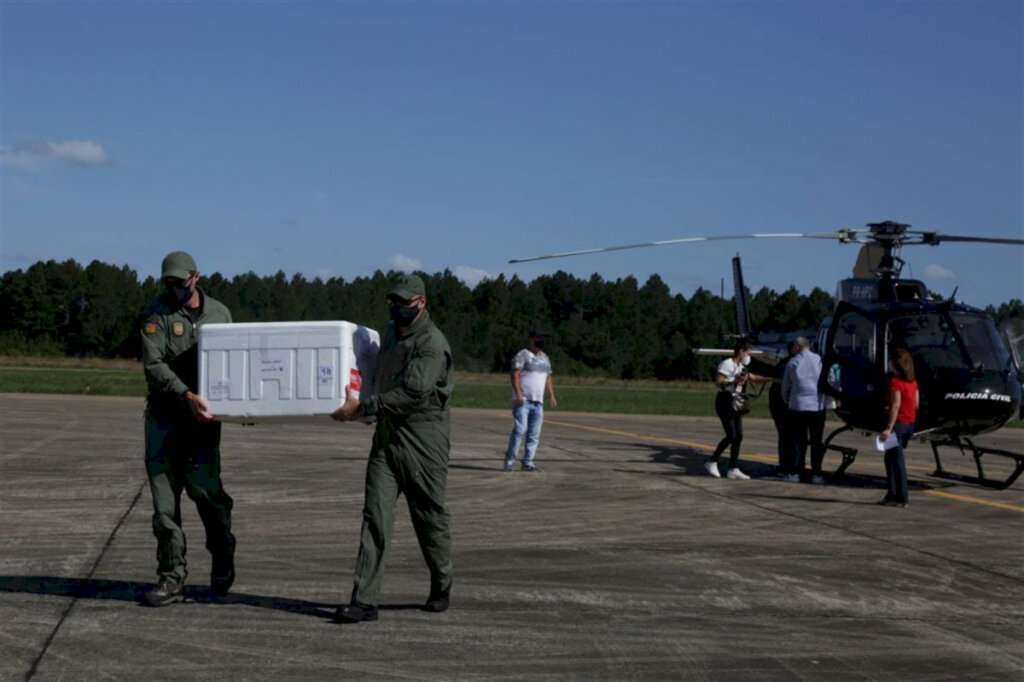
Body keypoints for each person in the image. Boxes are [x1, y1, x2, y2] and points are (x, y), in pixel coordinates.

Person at [331, 274, 455, 623]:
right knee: (375, 518)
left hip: (423, 441)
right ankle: (365, 600)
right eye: (394, 302)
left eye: (405, 303)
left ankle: (442, 580)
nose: (398, 308)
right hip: (386, 439)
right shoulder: (388, 333)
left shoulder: (432, 344)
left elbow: (413, 395)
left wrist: (364, 408)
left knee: (429, 518)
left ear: (421, 303)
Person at [139, 251, 235, 607]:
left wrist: (242, 406)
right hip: (165, 419)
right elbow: (154, 365)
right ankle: (171, 577)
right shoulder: (155, 314)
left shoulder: (220, 314)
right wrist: (185, 394)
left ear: (196, 277)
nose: (174, 288)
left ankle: (223, 549)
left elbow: (232, 364)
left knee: (205, 494)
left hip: (203, 423)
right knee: (165, 506)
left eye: (180, 282)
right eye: (168, 282)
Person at [707, 343, 769, 480]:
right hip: (725, 401)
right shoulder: (727, 364)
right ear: (741, 352)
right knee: (731, 435)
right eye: (748, 353)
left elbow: (754, 378)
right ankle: (712, 460)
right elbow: (719, 382)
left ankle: (733, 468)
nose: (749, 357)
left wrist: (771, 379)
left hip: (736, 402)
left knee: (739, 435)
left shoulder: (741, 367)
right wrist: (735, 380)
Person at [503, 329, 558, 472]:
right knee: (520, 430)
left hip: (538, 402)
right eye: (539, 338)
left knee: (534, 433)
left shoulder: (545, 357)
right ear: (531, 339)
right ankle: (509, 460)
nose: (541, 341)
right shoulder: (522, 355)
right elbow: (515, 375)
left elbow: (548, 377)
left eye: (543, 338)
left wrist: (551, 395)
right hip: (523, 400)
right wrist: (519, 394)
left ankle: (527, 462)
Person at [782, 337, 827, 485]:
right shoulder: (819, 360)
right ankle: (817, 474)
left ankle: (796, 472)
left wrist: (786, 400)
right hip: (817, 405)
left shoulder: (793, 362)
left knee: (798, 441)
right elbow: (829, 378)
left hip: (798, 406)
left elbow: (786, 385)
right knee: (816, 442)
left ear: (797, 346)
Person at [879, 348, 918, 507]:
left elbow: (896, 405)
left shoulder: (896, 382)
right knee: (889, 458)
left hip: (898, 426)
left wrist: (889, 427)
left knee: (897, 461)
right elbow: (915, 404)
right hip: (909, 424)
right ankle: (892, 493)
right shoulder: (913, 382)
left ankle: (903, 497)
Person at [769, 341, 800, 481]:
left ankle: (785, 465)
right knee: (790, 437)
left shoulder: (784, 363)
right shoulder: (789, 365)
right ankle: (790, 467)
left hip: (780, 405)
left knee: (785, 436)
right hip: (784, 406)